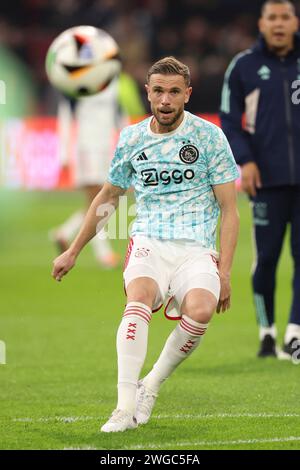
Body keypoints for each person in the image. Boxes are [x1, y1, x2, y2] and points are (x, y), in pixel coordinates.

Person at [52, 56, 240, 432]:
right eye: (158, 91)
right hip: (150, 240)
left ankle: (150, 385)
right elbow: (108, 197)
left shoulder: (209, 137)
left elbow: (229, 208)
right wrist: (73, 250)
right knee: (138, 298)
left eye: (174, 92)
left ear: (187, 94)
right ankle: (123, 408)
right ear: (148, 93)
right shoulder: (133, 138)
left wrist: (226, 271)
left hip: (196, 246)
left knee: (201, 311)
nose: (165, 100)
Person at [220, 0, 300, 359]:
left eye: (285, 17)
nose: (279, 24)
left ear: (295, 22)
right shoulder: (244, 67)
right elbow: (229, 120)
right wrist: (246, 161)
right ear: (261, 23)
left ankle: (294, 334)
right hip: (265, 180)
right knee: (266, 258)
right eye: (273, 18)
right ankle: (267, 333)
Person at [51, 72, 145, 268]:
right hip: (85, 148)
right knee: (99, 199)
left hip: (106, 149)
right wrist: (64, 154)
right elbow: (65, 118)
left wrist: (130, 142)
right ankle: (103, 253)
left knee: (101, 200)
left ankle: (64, 232)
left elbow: (120, 116)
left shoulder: (112, 85)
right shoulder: (77, 87)